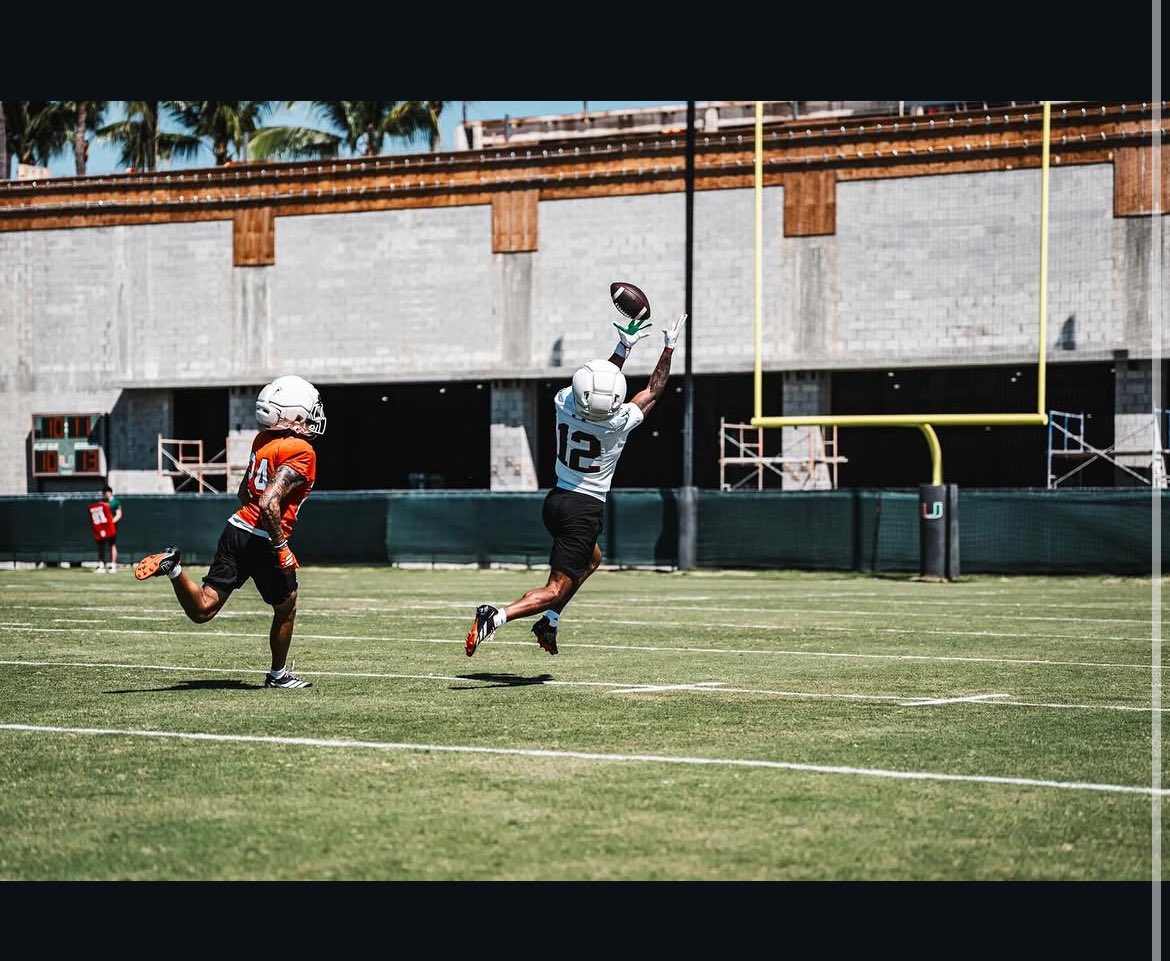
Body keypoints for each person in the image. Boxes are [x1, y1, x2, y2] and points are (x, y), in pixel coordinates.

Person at [465, 299, 687, 657]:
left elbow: (598, 385)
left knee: (592, 559)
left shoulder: (564, 402)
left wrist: (623, 347)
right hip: (583, 509)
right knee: (554, 587)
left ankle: (549, 621)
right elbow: (652, 391)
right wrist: (669, 347)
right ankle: (497, 615)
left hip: (556, 500)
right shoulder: (617, 424)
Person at [133, 374, 326, 689]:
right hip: (263, 537)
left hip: (236, 528)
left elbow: (243, 494)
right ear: (292, 414)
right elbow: (267, 503)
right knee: (287, 605)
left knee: (204, 609)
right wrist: (281, 548)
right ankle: (278, 675)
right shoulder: (301, 450)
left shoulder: (263, 441)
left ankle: (174, 567)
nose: (314, 416)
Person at [87, 487, 120, 573]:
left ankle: (113, 565)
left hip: (111, 528)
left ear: (111, 492)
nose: (106, 494)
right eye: (104, 492)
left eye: (107, 492)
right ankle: (101, 564)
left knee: (112, 545)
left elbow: (119, 514)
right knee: (101, 546)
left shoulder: (115, 502)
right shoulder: (102, 503)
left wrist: (111, 523)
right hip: (102, 529)